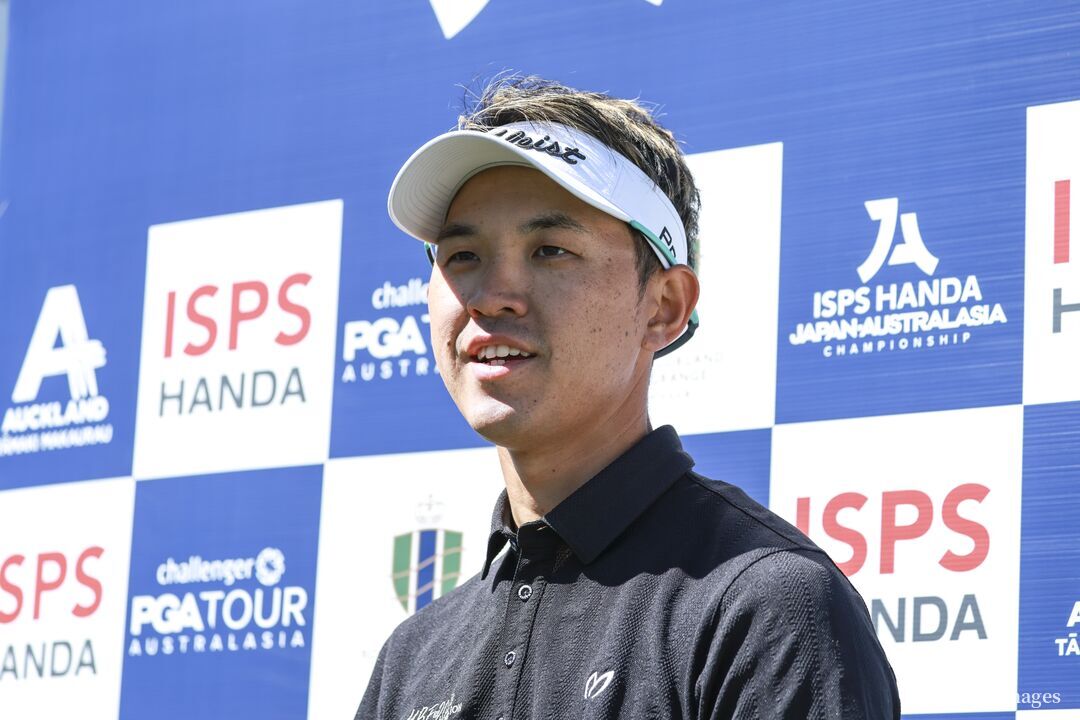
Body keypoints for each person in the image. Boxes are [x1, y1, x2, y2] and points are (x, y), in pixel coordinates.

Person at [356, 76, 901, 719]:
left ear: (664, 306)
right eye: (462, 255)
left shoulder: (767, 603)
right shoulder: (411, 657)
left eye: (550, 250)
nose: (491, 297)